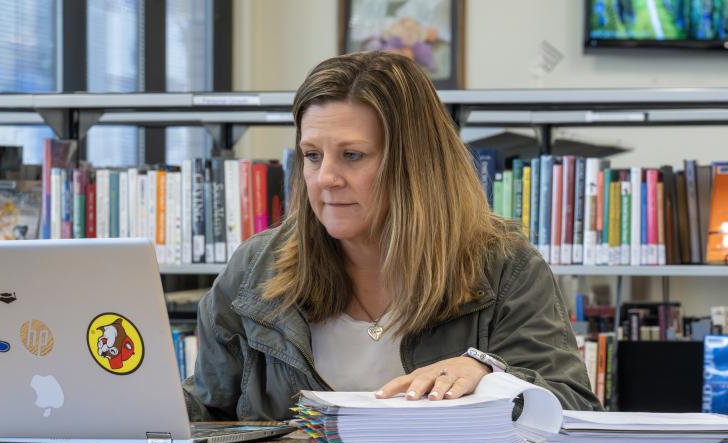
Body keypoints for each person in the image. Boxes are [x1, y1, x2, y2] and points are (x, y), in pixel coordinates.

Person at [182, 51, 601, 421]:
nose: (325, 178)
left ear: (414, 165)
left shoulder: (505, 267)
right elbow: (209, 408)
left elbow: (573, 408)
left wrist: (490, 376)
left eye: (352, 156)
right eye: (312, 156)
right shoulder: (257, 267)